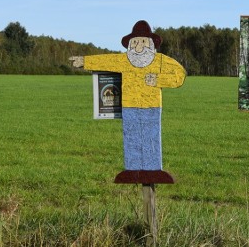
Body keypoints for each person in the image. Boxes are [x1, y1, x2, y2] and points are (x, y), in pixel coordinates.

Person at [70, 20, 186, 184]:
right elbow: (107, 61)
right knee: (131, 137)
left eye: (143, 42)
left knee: (150, 138)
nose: (139, 47)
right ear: (129, 45)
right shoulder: (124, 60)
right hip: (129, 106)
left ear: (152, 44)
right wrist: (85, 61)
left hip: (151, 106)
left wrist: (159, 79)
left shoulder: (160, 61)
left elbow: (179, 75)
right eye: (135, 42)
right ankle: (132, 169)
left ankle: (153, 170)